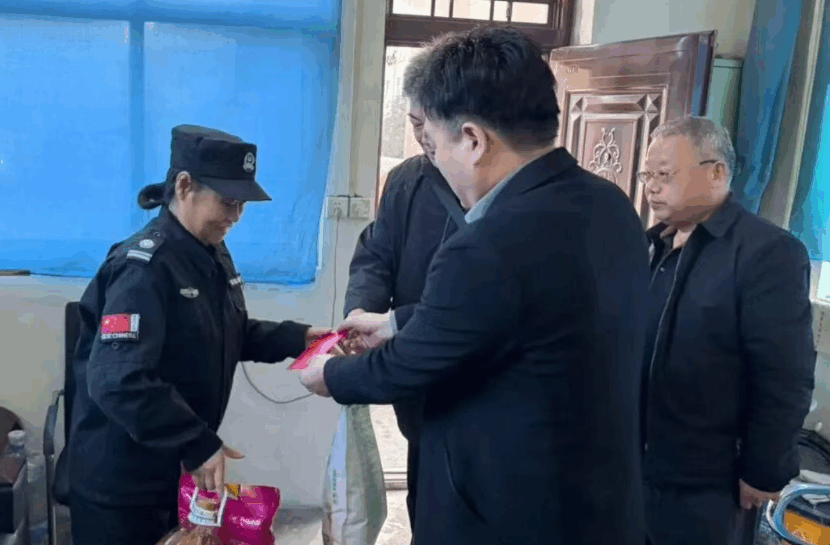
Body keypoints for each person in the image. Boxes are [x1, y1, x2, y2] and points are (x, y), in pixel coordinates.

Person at [298, 25, 650, 545]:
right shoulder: (610, 205)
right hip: (597, 504)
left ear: (472, 139)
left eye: (437, 143)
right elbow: (522, 317)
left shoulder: (489, 244)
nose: (434, 160)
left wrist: (329, 374)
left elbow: (404, 368)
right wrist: (394, 322)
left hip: (506, 510)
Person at [67, 125, 332, 545]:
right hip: (122, 486)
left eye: (242, 205)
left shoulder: (209, 250)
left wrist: (299, 338)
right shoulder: (143, 268)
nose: (235, 216)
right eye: (227, 202)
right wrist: (196, 441)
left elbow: (225, 331)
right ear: (185, 186)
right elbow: (117, 379)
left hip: (169, 470)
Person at [637, 116, 816, 545]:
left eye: (665, 175)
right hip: (636, 468)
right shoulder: (651, 244)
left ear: (716, 172)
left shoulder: (767, 253)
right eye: (647, 176)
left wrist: (764, 470)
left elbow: (784, 374)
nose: (652, 188)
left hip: (708, 482)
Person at [343, 51, 462, 536]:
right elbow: (377, 254)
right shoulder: (407, 179)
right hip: (416, 370)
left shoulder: (503, 194)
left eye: (427, 125)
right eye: (413, 124)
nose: (422, 137)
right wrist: (361, 313)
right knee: (423, 494)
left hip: (477, 380)